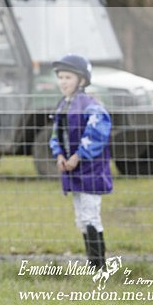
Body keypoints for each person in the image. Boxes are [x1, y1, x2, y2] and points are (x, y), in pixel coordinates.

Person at [49, 54, 113, 270]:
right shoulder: (63, 105)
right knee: (81, 218)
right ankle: (93, 263)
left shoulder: (91, 105)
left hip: (89, 170)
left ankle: (99, 266)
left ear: (82, 81)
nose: (63, 82)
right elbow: (56, 134)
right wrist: (59, 154)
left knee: (91, 215)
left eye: (68, 77)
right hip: (72, 169)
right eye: (60, 77)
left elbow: (97, 133)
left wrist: (78, 156)